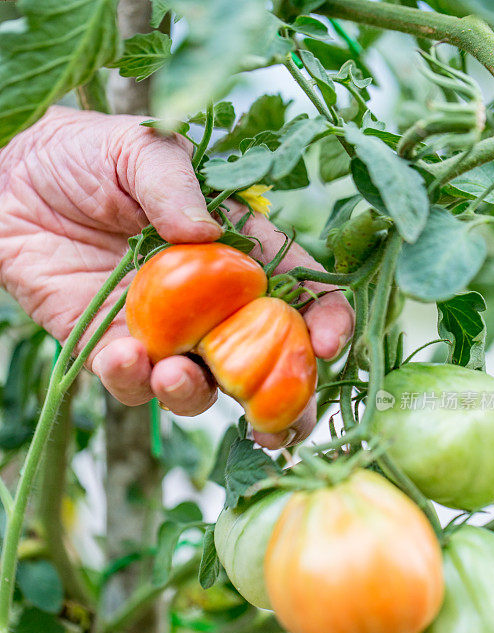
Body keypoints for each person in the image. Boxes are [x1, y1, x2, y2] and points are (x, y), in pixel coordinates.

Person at [0, 106, 354, 449]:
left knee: (170, 377)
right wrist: (16, 158)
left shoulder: (236, 279)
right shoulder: (249, 287)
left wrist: (15, 158)